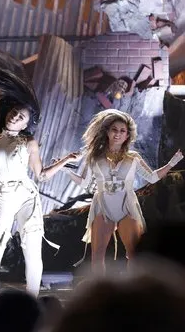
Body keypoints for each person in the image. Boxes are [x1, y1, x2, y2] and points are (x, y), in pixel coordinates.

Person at [0, 67, 79, 299]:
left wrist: (65, 160)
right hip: (2, 196)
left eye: (21, 117)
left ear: (25, 125)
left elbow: (41, 175)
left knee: (32, 248)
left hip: (25, 195)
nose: (15, 116)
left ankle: (32, 299)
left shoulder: (28, 142)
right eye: (14, 112)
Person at [66, 109, 183, 273]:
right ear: (107, 131)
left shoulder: (133, 157)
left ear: (128, 135)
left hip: (126, 205)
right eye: (114, 129)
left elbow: (152, 177)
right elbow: (84, 182)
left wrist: (171, 163)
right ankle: (101, 293)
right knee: (97, 255)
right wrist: (66, 171)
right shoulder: (94, 156)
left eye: (122, 131)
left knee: (134, 253)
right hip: (103, 206)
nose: (118, 134)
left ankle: (134, 291)